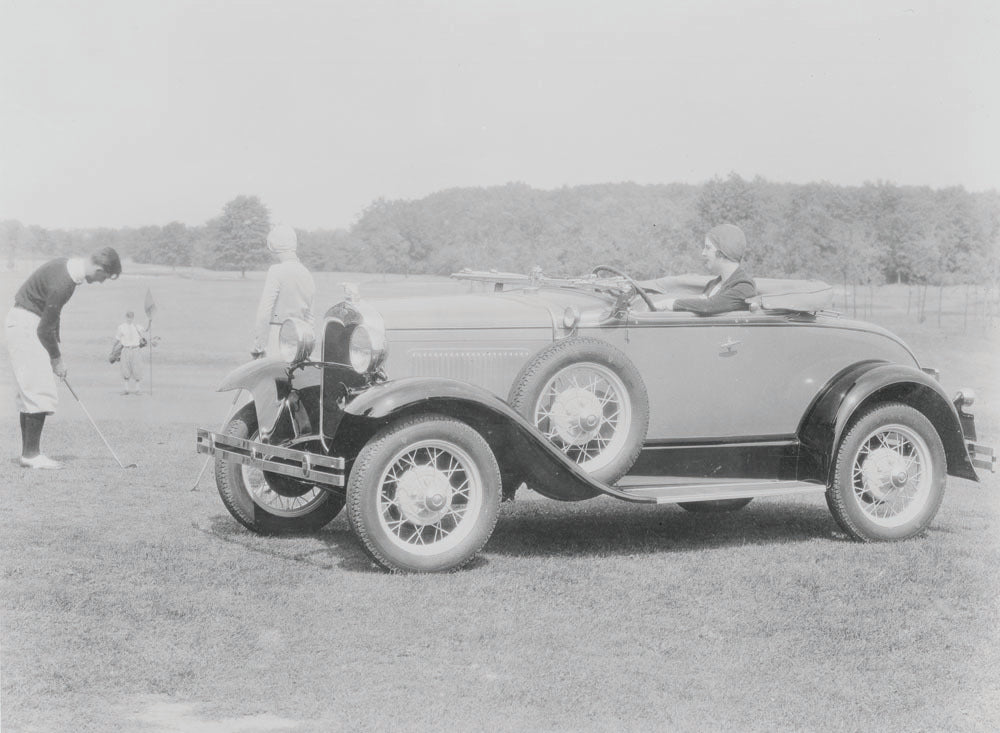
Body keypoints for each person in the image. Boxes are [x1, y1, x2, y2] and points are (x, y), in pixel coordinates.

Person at [5, 247, 122, 469]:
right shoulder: (64, 282)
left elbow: (52, 317)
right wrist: (57, 359)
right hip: (26, 324)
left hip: (25, 321)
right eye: (104, 277)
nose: (101, 282)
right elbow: (44, 329)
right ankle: (31, 455)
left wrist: (55, 352)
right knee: (39, 390)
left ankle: (29, 454)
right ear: (99, 268)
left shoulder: (68, 267)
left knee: (31, 391)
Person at [652, 223, 757, 314]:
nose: (703, 253)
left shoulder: (744, 287)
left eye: (708, 248)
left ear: (721, 253)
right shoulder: (713, 284)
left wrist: (670, 303)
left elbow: (710, 305)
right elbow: (700, 305)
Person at [252, 224, 315, 358]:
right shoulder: (306, 273)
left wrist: (259, 345)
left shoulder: (276, 271)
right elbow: (310, 317)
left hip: (277, 336)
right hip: (301, 339)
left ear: (273, 246)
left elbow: (264, 312)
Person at [114, 310, 147, 395]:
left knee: (137, 369)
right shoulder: (121, 327)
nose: (129, 319)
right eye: (128, 317)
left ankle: (137, 389)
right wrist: (113, 350)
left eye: (131, 317)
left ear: (133, 318)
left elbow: (146, 329)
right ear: (126, 317)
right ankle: (126, 389)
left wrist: (149, 320)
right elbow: (117, 339)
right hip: (126, 349)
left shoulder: (137, 326)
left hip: (136, 349)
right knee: (125, 369)